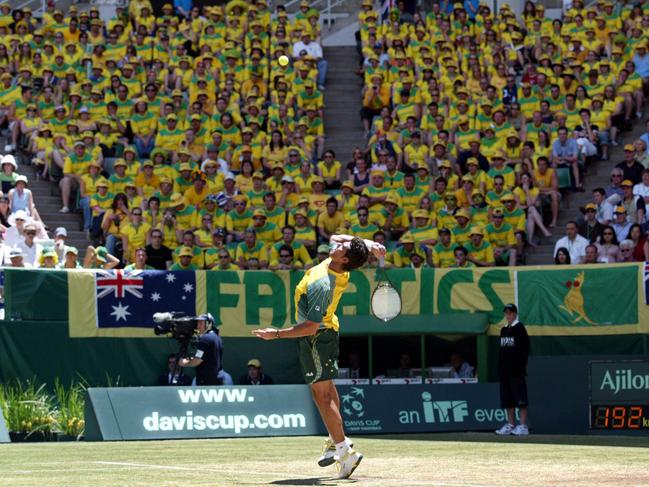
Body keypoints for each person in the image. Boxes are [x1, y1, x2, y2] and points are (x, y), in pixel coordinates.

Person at [253, 234, 386, 479]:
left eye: (343, 247)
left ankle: (346, 453)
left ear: (344, 259)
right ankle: (337, 441)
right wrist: (371, 245)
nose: (337, 243)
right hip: (328, 332)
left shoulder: (323, 284)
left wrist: (277, 335)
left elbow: (310, 327)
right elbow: (339, 236)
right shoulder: (341, 264)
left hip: (316, 339)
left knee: (322, 397)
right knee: (328, 392)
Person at [495, 304, 530, 436]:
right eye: (506, 313)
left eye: (510, 313)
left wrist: (521, 365)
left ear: (515, 314)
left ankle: (522, 426)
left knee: (520, 399)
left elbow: (526, 349)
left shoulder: (520, 328)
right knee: (507, 400)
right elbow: (502, 352)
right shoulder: (503, 330)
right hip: (505, 372)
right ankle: (510, 425)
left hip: (517, 371)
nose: (508, 316)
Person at [178, 313, 223, 386]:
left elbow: (197, 361)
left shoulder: (205, 339)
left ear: (208, 324)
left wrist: (184, 363)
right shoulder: (217, 338)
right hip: (217, 380)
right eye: (198, 323)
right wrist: (193, 359)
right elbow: (206, 357)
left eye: (201, 323)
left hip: (206, 383)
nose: (198, 326)